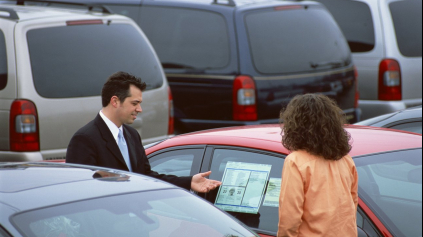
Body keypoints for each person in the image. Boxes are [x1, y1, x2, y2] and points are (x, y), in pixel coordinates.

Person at [66, 71, 221, 193]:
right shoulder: (84, 139)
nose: (139, 109)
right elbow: (80, 192)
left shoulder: (132, 135)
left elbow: (145, 177)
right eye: (135, 103)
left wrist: (189, 182)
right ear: (115, 101)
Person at [277, 94, 358, 237]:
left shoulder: (295, 162)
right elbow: (352, 204)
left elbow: (289, 219)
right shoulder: (345, 159)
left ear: (295, 125)